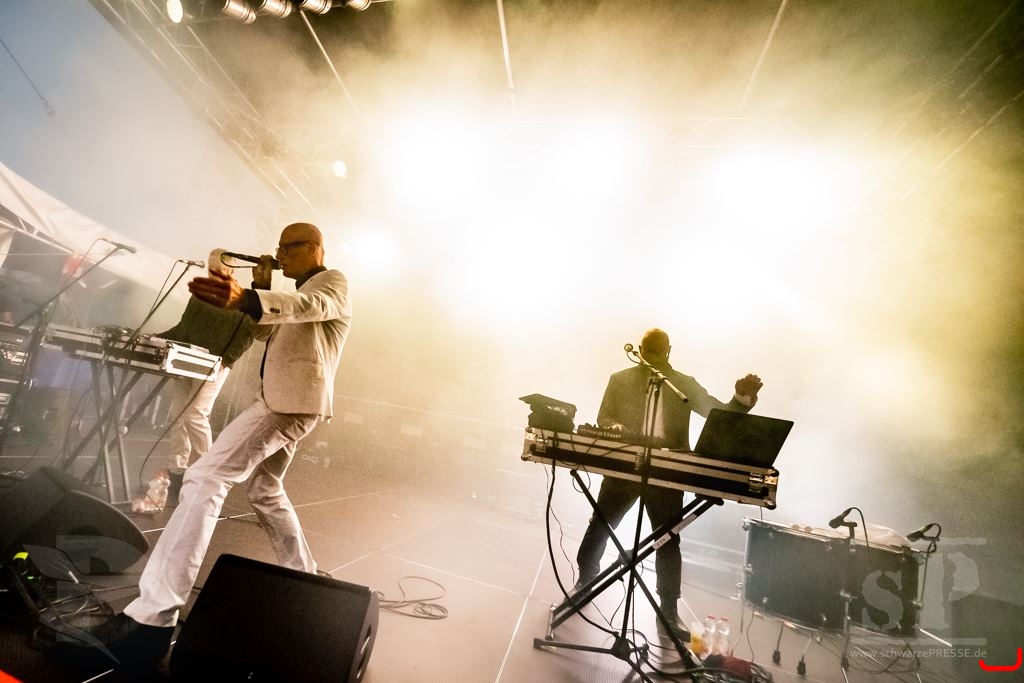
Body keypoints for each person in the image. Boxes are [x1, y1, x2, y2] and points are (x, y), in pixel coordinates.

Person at [99, 222, 352, 668]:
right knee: (265, 490)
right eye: (278, 248)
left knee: (204, 476)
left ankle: (154, 616)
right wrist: (260, 290)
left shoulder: (332, 282)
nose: (280, 254)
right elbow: (267, 327)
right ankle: (303, 575)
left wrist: (249, 298)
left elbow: (308, 306)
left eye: (289, 248)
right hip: (286, 401)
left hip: (289, 404)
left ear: (314, 247)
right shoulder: (292, 291)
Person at [575, 328, 762, 640]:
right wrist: (616, 427)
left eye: (658, 351)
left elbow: (717, 413)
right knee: (602, 522)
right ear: (640, 350)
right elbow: (604, 417)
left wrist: (741, 399)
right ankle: (585, 579)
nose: (653, 356)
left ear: (669, 351)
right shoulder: (620, 379)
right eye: (648, 351)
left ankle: (668, 612)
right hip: (627, 463)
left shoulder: (683, 384)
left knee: (667, 539)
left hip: (667, 469)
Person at [156, 249, 257, 478]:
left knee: (195, 414)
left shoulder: (242, 299)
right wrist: (156, 338)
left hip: (215, 365)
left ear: (232, 270)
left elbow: (247, 336)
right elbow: (183, 328)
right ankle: (177, 468)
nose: (212, 272)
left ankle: (209, 471)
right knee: (177, 415)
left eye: (218, 268)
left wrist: (226, 361)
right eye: (210, 268)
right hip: (187, 359)